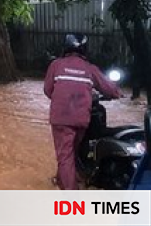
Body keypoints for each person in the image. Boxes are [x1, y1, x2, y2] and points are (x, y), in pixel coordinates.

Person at [44, 33, 122, 190]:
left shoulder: (56, 65)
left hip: (61, 119)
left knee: (65, 155)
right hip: (81, 120)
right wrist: (119, 94)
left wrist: (61, 99)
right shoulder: (89, 68)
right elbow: (109, 89)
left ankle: (72, 201)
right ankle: (63, 179)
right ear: (85, 50)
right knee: (70, 152)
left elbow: (47, 90)